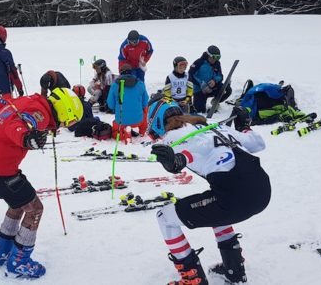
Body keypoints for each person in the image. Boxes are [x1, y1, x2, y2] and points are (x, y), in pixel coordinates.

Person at [148, 102, 270, 285]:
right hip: (262, 190)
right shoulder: (213, 123)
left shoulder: (172, 137)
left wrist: (177, 161)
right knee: (214, 202)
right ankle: (234, 268)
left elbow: (189, 154)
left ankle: (193, 279)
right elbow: (257, 143)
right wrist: (244, 127)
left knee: (165, 217)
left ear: (156, 123)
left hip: (234, 198)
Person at [0, 87, 83, 278]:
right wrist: (26, 138)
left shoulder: (28, 101)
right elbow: (16, 125)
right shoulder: (40, 114)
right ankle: (19, 261)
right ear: (64, 110)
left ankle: (2, 253)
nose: (64, 125)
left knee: (18, 204)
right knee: (34, 209)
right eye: (69, 121)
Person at [107, 65, 149, 142]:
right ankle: (142, 131)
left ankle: (124, 134)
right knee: (145, 110)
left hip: (121, 122)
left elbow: (110, 105)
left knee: (115, 132)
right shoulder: (140, 83)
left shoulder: (115, 85)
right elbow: (145, 103)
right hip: (138, 121)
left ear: (120, 72)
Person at [190, 46, 231, 113]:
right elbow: (190, 76)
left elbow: (220, 76)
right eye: (214, 57)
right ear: (208, 55)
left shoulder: (217, 63)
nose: (216, 59)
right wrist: (202, 84)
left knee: (227, 90)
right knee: (200, 111)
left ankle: (215, 101)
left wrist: (214, 81)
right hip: (200, 90)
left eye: (218, 57)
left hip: (212, 87)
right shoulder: (198, 63)